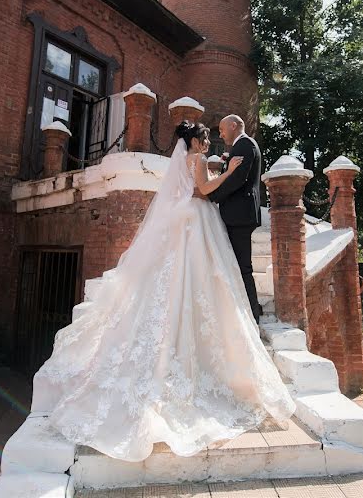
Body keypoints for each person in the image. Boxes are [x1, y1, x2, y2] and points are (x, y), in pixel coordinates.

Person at [30, 121, 295, 462]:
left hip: (184, 219)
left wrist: (217, 166)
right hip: (198, 216)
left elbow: (192, 182)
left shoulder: (186, 160)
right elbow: (202, 191)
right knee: (205, 275)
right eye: (204, 137)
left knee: (182, 276)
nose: (208, 140)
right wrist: (228, 172)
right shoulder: (197, 161)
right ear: (195, 141)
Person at [205, 115, 264, 323]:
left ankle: (253, 314)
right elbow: (234, 176)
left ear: (233, 126)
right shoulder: (243, 146)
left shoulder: (245, 145)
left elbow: (237, 180)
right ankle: (248, 308)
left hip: (239, 215)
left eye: (222, 130)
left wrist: (212, 196)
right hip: (240, 214)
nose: (220, 134)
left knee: (242, 266)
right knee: (238, 265)